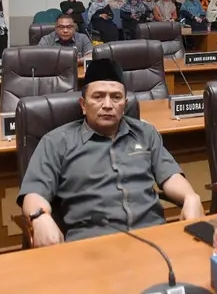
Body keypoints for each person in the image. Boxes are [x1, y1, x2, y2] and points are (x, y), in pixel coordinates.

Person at [16, 58, 204, 245]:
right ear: (83, 105)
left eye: (116, 97)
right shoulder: (57, 142)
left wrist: (191, 196)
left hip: (154, 238)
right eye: (98, 97)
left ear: (125, 104)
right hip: (92, 244)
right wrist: (39, 217)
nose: (107, 105)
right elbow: (34, 192)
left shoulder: (145, 133)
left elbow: (170, 175)